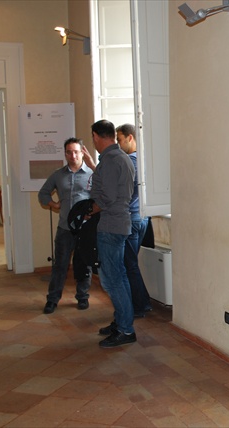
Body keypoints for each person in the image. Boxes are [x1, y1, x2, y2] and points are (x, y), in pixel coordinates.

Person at [87, 119, 137, 348]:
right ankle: (122, 321)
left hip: (111, 225)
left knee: (112, 280)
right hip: (121, 222)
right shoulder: (123, 158)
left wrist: (88, 212)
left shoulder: (110, 161)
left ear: (96, 137)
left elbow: (106, 198)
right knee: (120, 277)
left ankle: (126, 329)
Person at [38, 137, 93, 314]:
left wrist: (92, 212)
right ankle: (52, 300)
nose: (73, 155)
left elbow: (101, 196)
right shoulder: (58, 175)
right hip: (65, 229)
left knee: (84, 264)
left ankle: (83, 297)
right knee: (60, 265)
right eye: (69, 152)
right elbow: (43, 193)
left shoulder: (92, 173)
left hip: (85, 229)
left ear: (82, 152)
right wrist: (53, 204)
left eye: (76, 152)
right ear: (65, 154)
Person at [116, 124, 153, 317]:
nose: (118, 144)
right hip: (143, 217)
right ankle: (142, 302)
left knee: (128, 264)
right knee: (130, 263)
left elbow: (122, 191)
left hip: (132, 218)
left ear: (130, 138)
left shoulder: (130, 161)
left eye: (119, 140)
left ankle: (140, 305)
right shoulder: (144, 159)